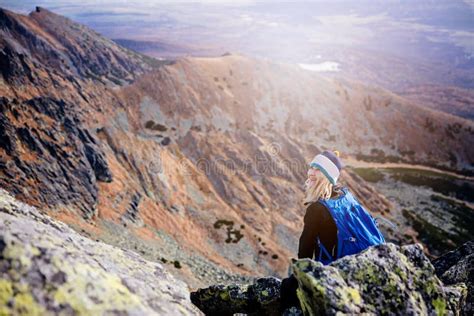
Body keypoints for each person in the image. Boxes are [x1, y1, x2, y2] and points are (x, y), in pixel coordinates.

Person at [280, 150, 385, 312]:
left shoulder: (317, 209)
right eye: (311, 167)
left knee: (286, 289)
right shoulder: (345, 194)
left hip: (339, 271)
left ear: (327, 176)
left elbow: (305, 252)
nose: (311, 173)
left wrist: (298, 279)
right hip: (367, 261)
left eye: (317, 170)